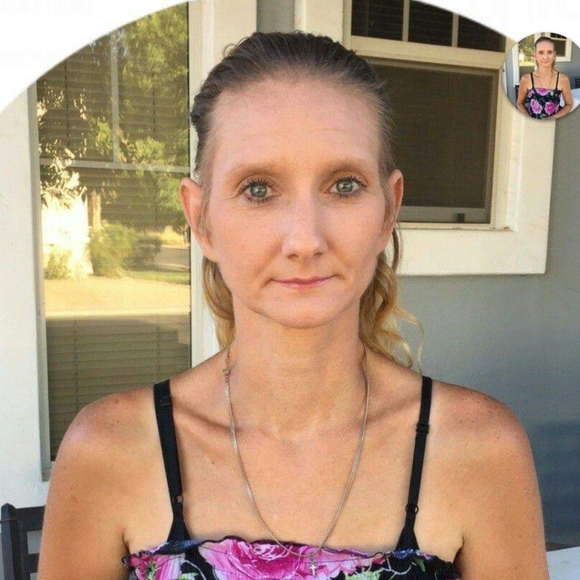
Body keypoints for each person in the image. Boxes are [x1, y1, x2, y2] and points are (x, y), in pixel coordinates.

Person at [38, 31, 550, 580]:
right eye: (258, 189)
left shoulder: (479, 449)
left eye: (344, 185)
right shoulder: (110, 451)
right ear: (200, 219)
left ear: (388, 209)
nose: (305, 239)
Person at [517, 35, 572, 119]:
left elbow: (569, 104)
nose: (545, 57)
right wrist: (529, 119)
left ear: (554, 55)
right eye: (541, 52)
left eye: (549, 52)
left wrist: (552, 118)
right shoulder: (526, 79)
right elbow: (519, 103)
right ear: (535, 55)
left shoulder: (563, 79)